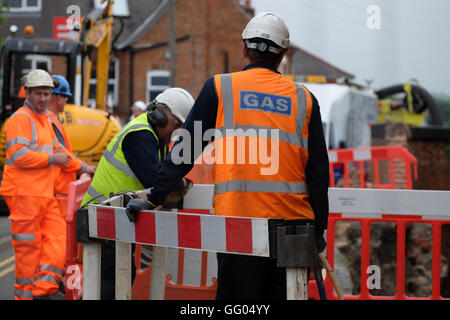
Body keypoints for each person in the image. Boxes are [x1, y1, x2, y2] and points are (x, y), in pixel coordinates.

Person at [126, 12, 330, 300]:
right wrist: (318, 229)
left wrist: (153, 197)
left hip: (237, 224)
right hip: (293, 229)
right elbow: (319, 174)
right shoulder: (305, 99)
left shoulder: (220, 88)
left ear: (245, 49)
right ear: (283, 55)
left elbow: (185, 150)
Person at [81, 87, 195, 300]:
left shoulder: (155, 136)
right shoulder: (140, 136)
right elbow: (156, 180)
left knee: (118, 278)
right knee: (110, 285)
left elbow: (164, 175)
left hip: (116, 216)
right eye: (176, 124)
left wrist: (174, 180)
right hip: (102, 217)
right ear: (160, 114)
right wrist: (177, 182)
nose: (176, 130)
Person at [0, 69, 73, 300]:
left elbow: (59, 150)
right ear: (28, 94)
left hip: (42, 194)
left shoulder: (43, 120)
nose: (44, 98)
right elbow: (19, 155)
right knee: (28, 251)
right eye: (39, 93)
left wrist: (82, 166)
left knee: (57, 239)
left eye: (47, 94)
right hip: (24, 195)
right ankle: (25, 296)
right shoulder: (21, 119)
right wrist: (53, 159)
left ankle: (43, 290)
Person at [48, 74, 96, 217]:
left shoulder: (51, 120)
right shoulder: (51, 121)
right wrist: (84, 167)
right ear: (58, 98)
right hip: (58, 189)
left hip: (58, 187)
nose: (66, 100)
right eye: (65, 97)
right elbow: (62, 152)